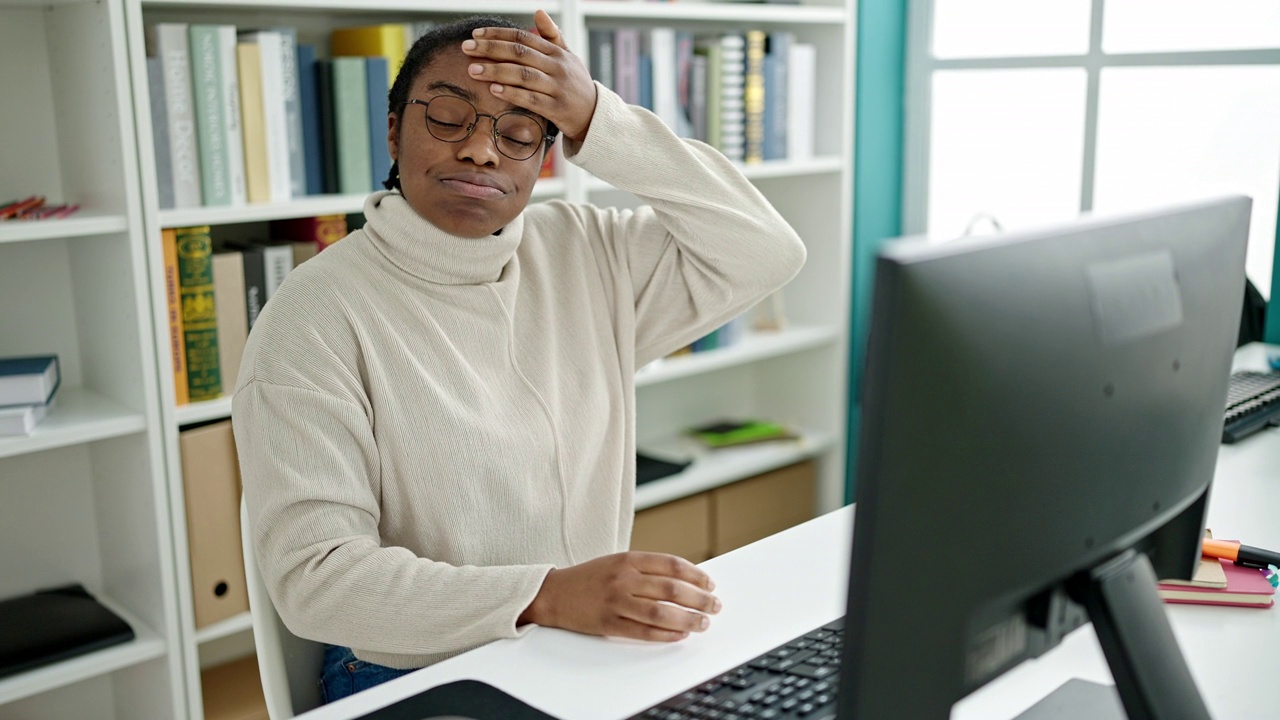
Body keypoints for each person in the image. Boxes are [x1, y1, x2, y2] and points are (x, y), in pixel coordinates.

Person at [232, 10, 806, 703]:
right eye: (448, 115)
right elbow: (317, 580)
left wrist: (597, 115)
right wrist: (549, 595)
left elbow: (767, 249)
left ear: (545, 154)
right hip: (413, 671)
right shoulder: (314, 314)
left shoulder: (587, 253)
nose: (481, 150)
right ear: (393, 129)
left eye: (520, 130)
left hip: (574, 647)